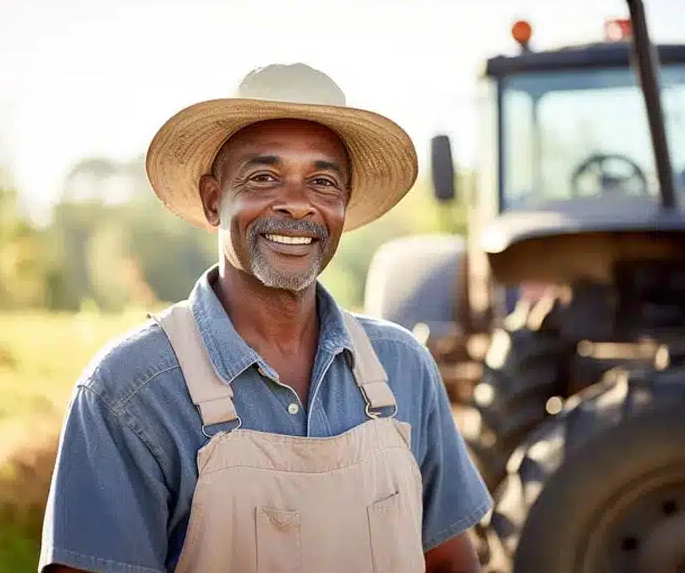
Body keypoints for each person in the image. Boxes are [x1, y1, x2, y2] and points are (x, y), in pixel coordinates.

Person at [39, 62, 493, 573]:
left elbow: (450, 561)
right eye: (264, 177)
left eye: (322, 181)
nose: (298, 204)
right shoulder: (128, 394)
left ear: (343, 205)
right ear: (214, 200)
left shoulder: (403, 365)